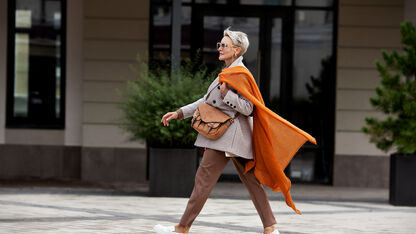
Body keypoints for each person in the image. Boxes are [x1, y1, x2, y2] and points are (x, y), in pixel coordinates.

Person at [155, 27, 316, 234]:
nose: (220, 48)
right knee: (251, 182)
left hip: (226, 136)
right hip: (233, 138)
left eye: (224, 45)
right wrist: (179, 113)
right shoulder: (226, 72)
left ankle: (182, 228)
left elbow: (250, 108)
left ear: (237, 50)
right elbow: (205, 102)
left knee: (203, 181)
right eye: (219, 45)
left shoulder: (240, 74)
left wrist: (227, 95)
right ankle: (270, 227)